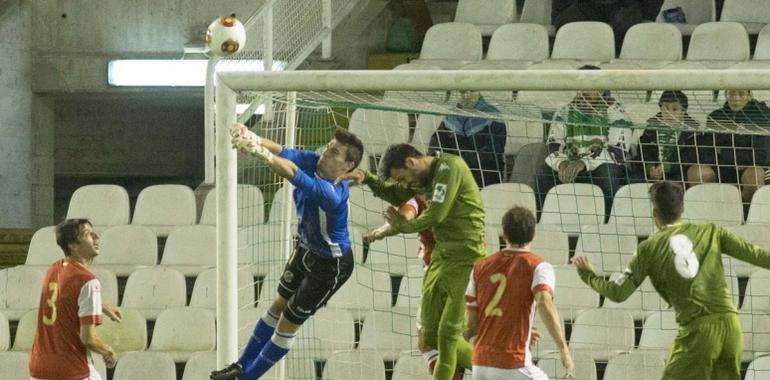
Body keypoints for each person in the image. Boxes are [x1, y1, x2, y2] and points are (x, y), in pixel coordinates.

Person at [210, 124, 364, 380]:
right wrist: (253, 136)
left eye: (334, 152)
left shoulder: (331, 194)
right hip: (305, 248)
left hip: (331, 264)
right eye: (328, 146)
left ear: (347, 165)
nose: (326, 152)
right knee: (275, 307)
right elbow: (284, 151)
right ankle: (239, 367)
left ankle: (247, 378)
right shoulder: (315, 161)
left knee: (287, 321)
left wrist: (261, 153)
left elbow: (290, 170)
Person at [572, 181, 770, 379]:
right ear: (683, 209)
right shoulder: (712, 231)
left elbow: (617, 293)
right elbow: (757, 255)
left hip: (698, 333)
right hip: (731, 327)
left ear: (655, 214)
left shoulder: (648, 248)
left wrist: (588, 274)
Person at [337, 143, 484, 380]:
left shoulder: (450, 167)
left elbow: (437, 214)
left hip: (466, 257)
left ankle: (503, 372)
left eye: (403, 178)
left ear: (410, 162)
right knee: (430, 338)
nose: (405, 185)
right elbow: (397, 195)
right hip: (440, 260)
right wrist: (368, 178)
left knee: (447, 336)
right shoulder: (424, 180)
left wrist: (401, 227)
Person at [465, 206, 573, 380]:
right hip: (513, 363)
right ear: (533, 234)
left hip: (480, 365)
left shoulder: (479, 268)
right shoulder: (538, 266)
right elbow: (544, 303)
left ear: (504, 236)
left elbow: (472, 325)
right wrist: (563, 348)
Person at [536, 66, 635, 218]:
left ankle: (609, 222)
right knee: (544, 171)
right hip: (570, 167)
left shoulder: (616, 111)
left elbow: (617, 152)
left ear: (601, 89)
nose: (584, 92)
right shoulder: (564, 110)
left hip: (600, 169)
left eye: (590, 87)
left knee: (606, 172)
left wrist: (584, 163)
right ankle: (539, 221)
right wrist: (561, 163)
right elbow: (553, 144)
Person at [29, 219, 122, 380]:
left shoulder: (54, 269)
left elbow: (64, 302)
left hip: (39, 368)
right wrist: (109, 351)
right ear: (73, 245)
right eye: (87, 234)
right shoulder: (87, 280)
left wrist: (100, 305)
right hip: (71, 370)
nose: (96, 236)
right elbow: (89, 339)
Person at [635, 90, 718, 186]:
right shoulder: (649, 130)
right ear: (660, 108)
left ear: (684, 111)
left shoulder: (693, 133)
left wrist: (669, 167)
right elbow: (643, 151)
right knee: (634, 179)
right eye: (666, 108)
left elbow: (691, 157)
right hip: (651, 173)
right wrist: (649, 167)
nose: (669, 113)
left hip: (679, 173)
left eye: (675, 109)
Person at [429, 90, 507, 188]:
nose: (466, 96)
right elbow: (436, 143)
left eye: (472, 91)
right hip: (452, 171)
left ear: (479, 91)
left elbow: (491, 155)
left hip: (483, 174)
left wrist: (455, 162)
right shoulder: (450, 116)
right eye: (462, 92)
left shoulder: (494, 117)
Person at [707, 89, 770, 202]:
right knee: (698, 171)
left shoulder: (764, 116)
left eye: (741, 94)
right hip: (724, 168)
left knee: (753, 174)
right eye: (731, 94)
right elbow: (709, 151)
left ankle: (749, 214)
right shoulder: (715, 117)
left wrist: (727, 153)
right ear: (726, 94)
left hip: (756, 167)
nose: (736, 98)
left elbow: (762, 155)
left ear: (749, 95)